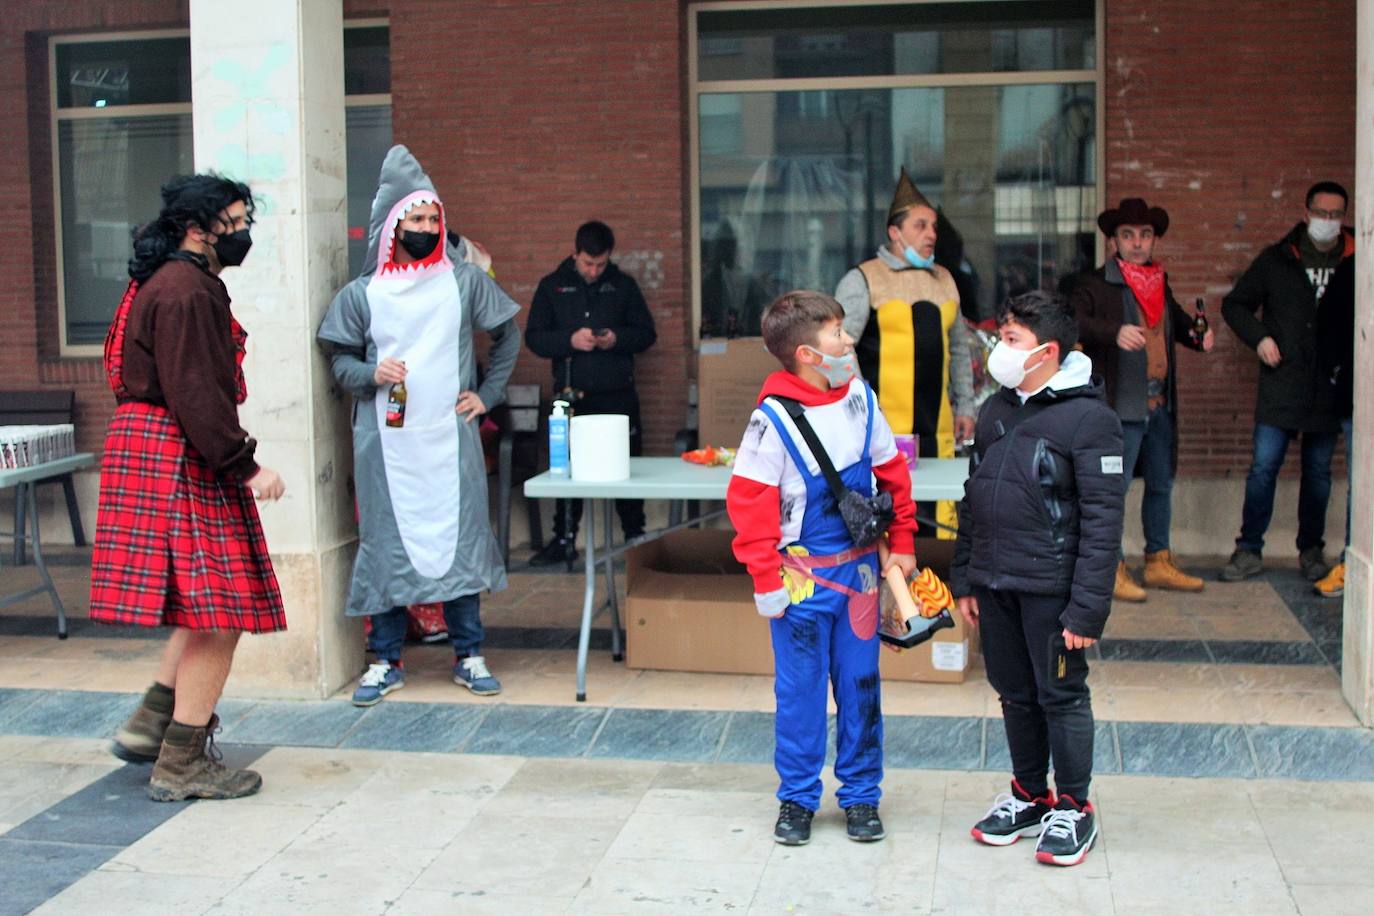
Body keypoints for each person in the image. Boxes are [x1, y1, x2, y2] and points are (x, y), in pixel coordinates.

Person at [95, 174, 286, 801]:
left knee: (198, 603)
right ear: (197, 228)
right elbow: (197, 392)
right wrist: (246, 466)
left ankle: (153, 726)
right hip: (178, 453)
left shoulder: (162, 280)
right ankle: (182, 762)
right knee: (219, 612)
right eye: (232, 223)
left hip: (153, 447)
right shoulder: (186, 291)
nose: (243, 234)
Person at [318, 145, 521, 704]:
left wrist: (488, 395)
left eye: (434, 219)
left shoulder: (463, 284)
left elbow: (508, 336)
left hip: (449, 440)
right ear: (391, 226)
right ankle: (384, 660)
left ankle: (469, 654)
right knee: (385, 544)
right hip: (384, 444)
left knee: (457, 542)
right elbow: (337, 360)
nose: (427, 228)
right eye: (416, 220)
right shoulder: (361, 296)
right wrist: (368, 371)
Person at [727, 290, 918, 846]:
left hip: (860, 578)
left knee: (861, 687)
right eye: (836, 333)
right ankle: (797, 800)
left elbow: (893, 475)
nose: (848, 341)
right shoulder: (771, 422)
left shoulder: (861, 399)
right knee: (800, 692)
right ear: (807, 354)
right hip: (800, 585)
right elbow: (748, 504)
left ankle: (861, 797)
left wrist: (902, 541)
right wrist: (766, 579)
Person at [950, 291, 1125, 867]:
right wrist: (966, 577)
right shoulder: (998, 408)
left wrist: (1087, 609)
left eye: (1013, 340)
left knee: (1061, 694)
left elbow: (1104, 521)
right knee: (1015, 694)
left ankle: (1074, 806)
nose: (1000, 349)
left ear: (1046, 351)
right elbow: (974, 495)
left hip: (1052, 591)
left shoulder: (1090, 419)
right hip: (995, 584)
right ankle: (1029, 793)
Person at [1071, 198, 1215, 602]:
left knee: (1160, 484)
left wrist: (1197, 337)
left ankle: (1157, 560)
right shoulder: (1095, 284)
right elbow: (1072, 320)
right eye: (1128, 235)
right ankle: (1109, 567)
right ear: (1114, 241)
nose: (1137, 243)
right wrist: (1112, 331)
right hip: (1120, 405)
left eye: (1145, 235)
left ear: (1154, 240)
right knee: (1112, 490)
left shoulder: (1158, 283)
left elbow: (1177, 323)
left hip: (1159, 402)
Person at [1221, 181, 1353, 582]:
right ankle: (1248, 549)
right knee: (1263, 467)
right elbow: (1235, 304)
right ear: (1306, 211)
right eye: (1321, 213)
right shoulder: (1278, 259)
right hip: (1282, 380)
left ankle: (1311, 551)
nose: (1328, 222)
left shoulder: (1356, 258)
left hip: (1330, 385)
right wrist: (1260, 338)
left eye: (1335, 215)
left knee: (1318, 473)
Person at [835, 168, 976, 537]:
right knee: (893, 520)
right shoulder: (863, 278)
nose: (932, 234)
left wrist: (965, 406)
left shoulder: (945, 279)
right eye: (920, 225)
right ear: (895, 232)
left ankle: (935, 588)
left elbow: (959, 349)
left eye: (933, 226)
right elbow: (838, 349)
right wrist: (862, 410)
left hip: (938, 425)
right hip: (884, 431)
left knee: (939, 520)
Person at [525, 220, 657, 566]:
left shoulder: (623, 285)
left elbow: (646, 334)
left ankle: (634, 536)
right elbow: (535, 338)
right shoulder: (552, 286)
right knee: (567, 468)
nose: (594, 270)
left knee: (629, 466)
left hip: (618, 393)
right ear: (575, 254)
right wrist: (569, 340)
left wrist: (616, 338)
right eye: (588, 263)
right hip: (572, 394)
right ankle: (565, 538)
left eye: (600, 264)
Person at [1313, 238, 1356, 598]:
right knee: (1363, 491)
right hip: (1360, 399)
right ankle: (1351, 564)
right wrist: (1338, 370)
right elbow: (1326, 324)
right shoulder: (1355, 269)